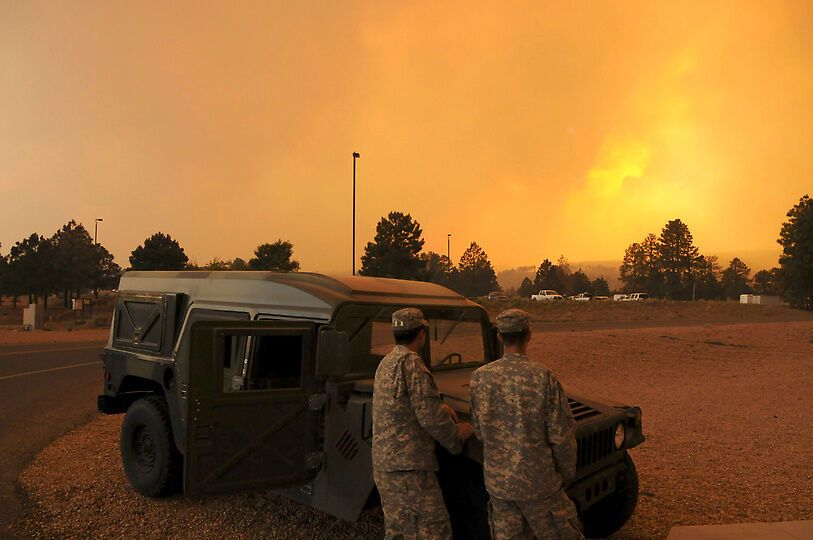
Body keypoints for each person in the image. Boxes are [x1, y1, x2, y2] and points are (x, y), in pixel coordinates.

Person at [470, 308, 583, 540]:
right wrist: (567, 473)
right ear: (529, 335)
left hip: (500, 486)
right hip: (540, 485)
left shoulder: (480, 377)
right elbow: (561, 435)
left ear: (500, 337)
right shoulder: (542, 376)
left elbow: (480, 430)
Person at [372, 307, 476, 540]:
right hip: (411, 469)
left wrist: (440, 405)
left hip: (385, 465)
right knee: (434, 530)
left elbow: (403, 403)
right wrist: (459, 435)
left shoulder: (386, 363)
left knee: (399, 530)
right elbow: (430, 418)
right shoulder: (413, 364)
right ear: (421, 334)